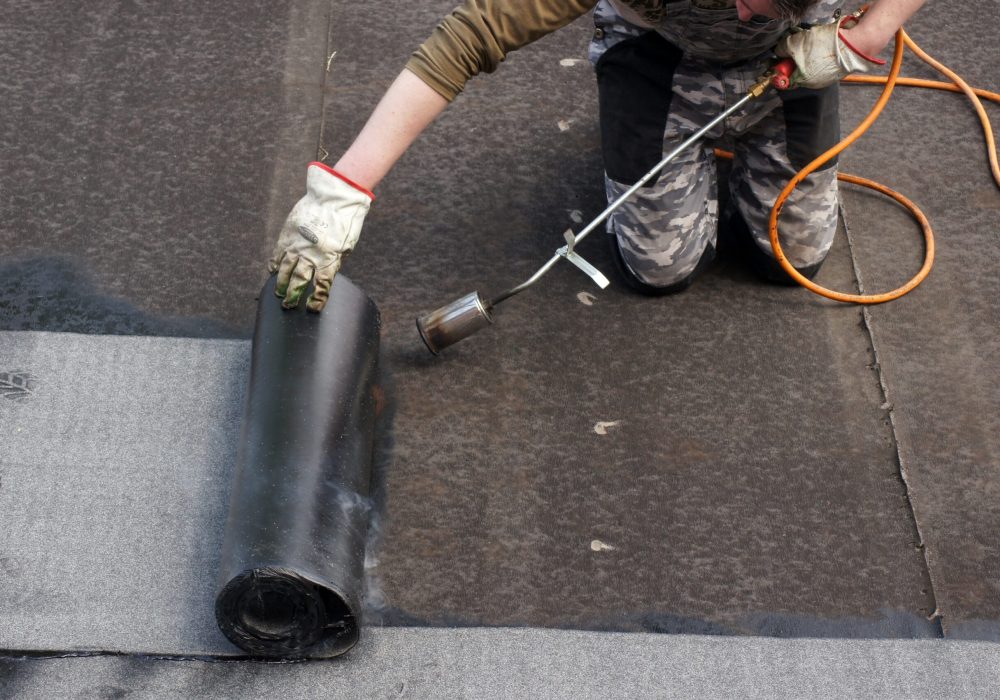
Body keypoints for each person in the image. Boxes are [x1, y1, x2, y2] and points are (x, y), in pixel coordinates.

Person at [267, 0, 925, 311]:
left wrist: (866, 33)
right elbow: (469, 38)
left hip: (797, 59)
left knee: (794, 256)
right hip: (664, 57)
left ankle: (741, 139)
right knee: (660, 269)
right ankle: (649, 134)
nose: (752, 10)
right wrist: (342, 191)